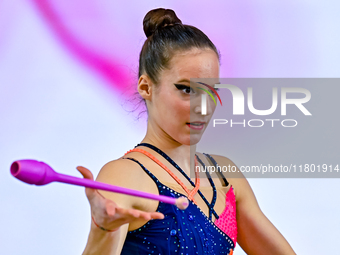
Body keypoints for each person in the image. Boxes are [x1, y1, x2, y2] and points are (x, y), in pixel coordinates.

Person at [77, 8, 296, 255]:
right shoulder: (125, 176)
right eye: (187, 90)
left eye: (211, 92)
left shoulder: (225, 177)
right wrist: (102, 231)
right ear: (146, 87)